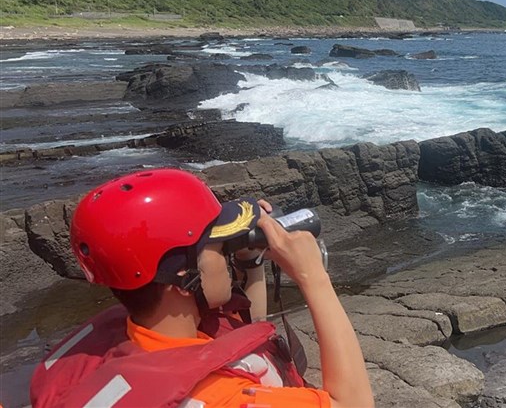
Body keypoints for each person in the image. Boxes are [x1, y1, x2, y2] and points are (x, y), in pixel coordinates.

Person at [29, 168, 374, 408]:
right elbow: (353, 403)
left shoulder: (146, 333)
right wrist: (313, 276)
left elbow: (242, 335)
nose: (225, 255)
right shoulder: (216, 397)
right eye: (217, 246)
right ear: (182, 278)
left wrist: (249, 261)